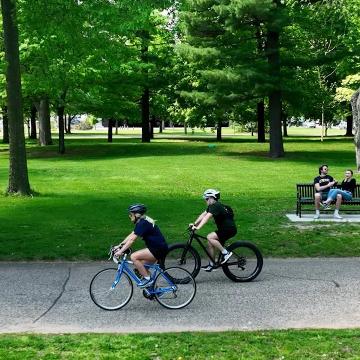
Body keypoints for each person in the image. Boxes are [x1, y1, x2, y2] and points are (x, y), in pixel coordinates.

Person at [114, 204, 168, 287]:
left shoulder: (143, 223)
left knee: (134, 257)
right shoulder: (142, 222)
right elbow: (132, 235)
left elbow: (132, 240)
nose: (129, 216)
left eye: (131, 214)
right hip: (157, 248)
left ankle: (148, 279)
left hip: (157, 249)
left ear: (137, 215)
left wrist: (120, 251)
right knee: (140, 269)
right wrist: (120, 245)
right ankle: (154, 291)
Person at [190, 189, 237, 272]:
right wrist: (194, 224)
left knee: (210, 237)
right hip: (225, 229)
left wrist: (198, 227)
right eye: (205, 199)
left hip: (228, 229)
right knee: (209, 242)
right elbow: (203, 215)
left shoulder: (216, 206)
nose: (206, 201)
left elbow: (207, 217)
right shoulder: (212, 206)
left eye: (207, 199)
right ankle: (212, 264)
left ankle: (226, 253)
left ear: (212, 198)